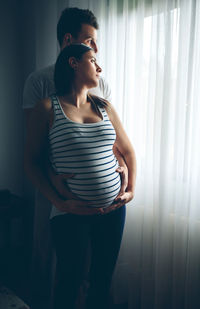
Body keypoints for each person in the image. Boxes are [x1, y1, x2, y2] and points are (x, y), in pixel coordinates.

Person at [23, 7, 129, 307]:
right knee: (65, 273)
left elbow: (107, 136)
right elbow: (35, 147)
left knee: (100, 279)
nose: (96, 50)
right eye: (89, 41)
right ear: (69, 41)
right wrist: (54, 184)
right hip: (63, 197)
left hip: (109, 209)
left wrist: (118, 163)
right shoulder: (39, 83)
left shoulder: (99, 81)